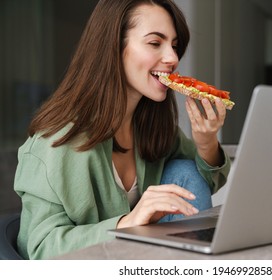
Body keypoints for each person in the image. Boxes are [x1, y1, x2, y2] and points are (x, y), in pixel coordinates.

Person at [14, 0, 231, 260]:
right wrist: (126, 223)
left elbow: (204, 184)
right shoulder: (54, 142)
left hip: (149, 262)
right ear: (113, 47)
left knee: (184, 170)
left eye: (174, 45)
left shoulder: (155, 127)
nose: (173, 58)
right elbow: (37, 249)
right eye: (154, 43)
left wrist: (206, 142)